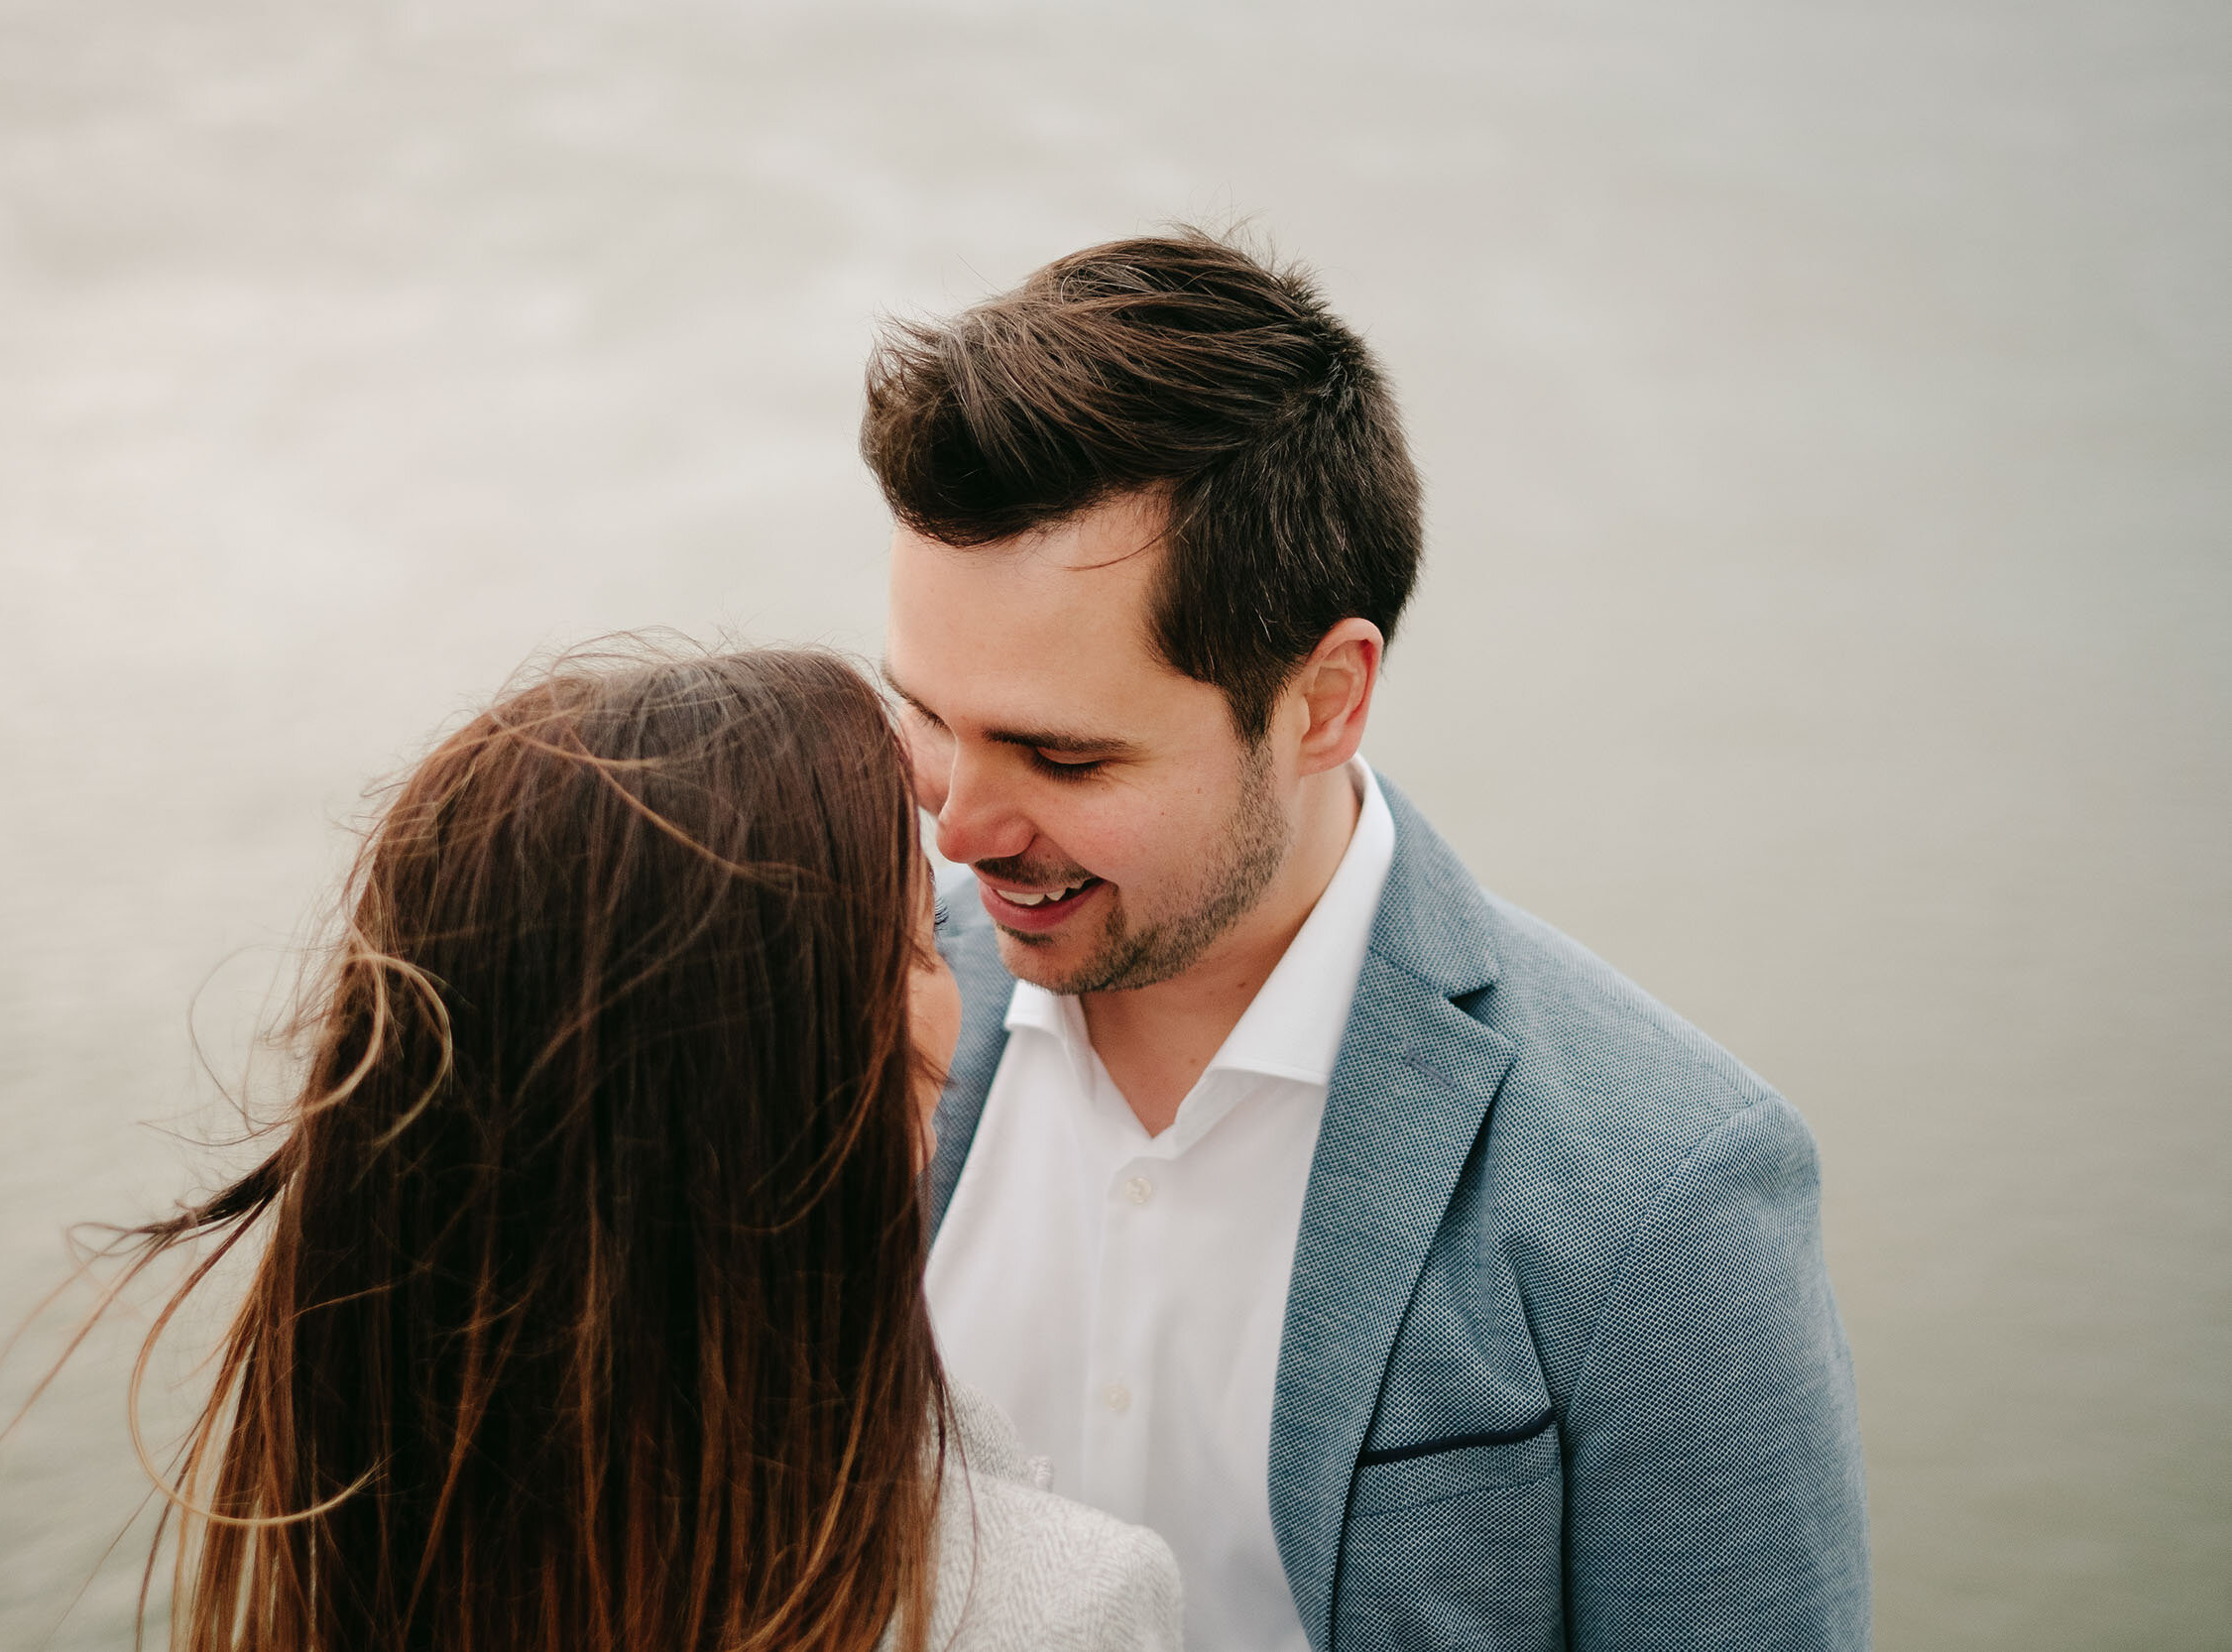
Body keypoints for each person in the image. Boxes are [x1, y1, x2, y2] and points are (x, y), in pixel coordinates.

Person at [867, 232, 1868, 1651]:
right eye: (927, 718)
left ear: (1327, 698)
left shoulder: (1669, 1191)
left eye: (1063, 757)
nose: (956, 829)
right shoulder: (833, 1037)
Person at [102, 647, 1183, 1652]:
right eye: (919, 943)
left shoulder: (354, 1544)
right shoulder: (1063, 1610)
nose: (953, 1011)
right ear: (776, 1105)